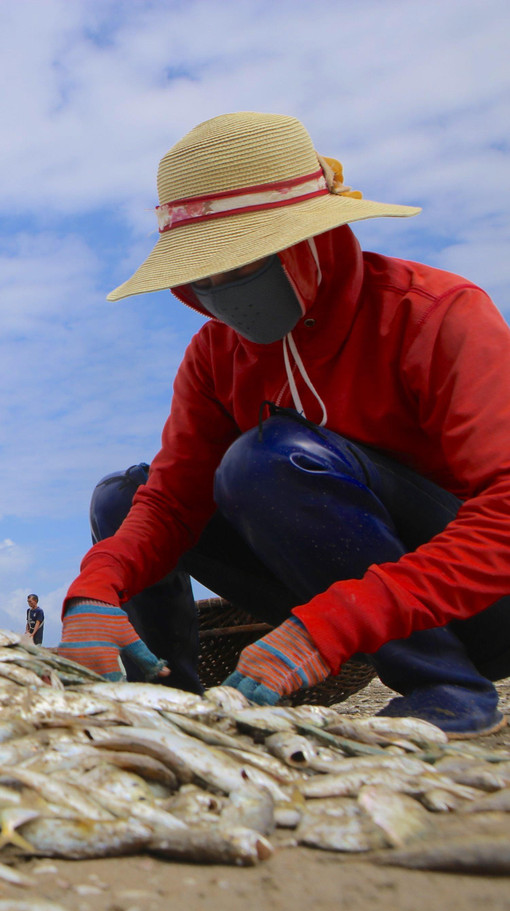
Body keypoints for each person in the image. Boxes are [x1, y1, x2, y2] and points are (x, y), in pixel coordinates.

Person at [59, 111, 510, 737]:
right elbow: (169, 502)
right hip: (326, 598)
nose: (220, 289)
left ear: (311, 238)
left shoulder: (434, 315)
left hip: (476, 603)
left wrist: (342, 620)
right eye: (203, 274)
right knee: (123, 496)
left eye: (242, 264)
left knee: (265, 461)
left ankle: (446, 684)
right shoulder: (215, 356)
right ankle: (171, 702)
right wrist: (94, 589)